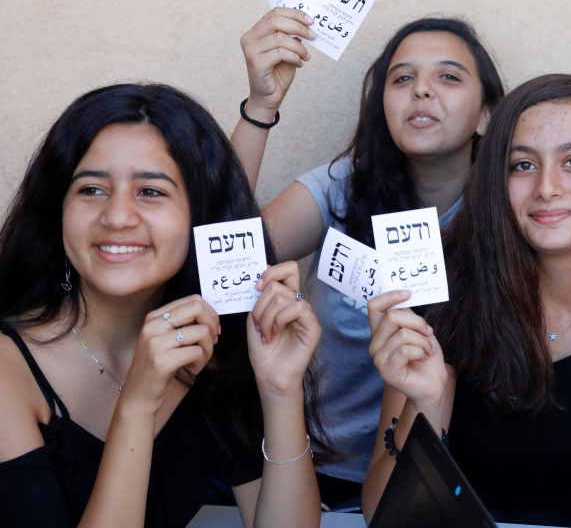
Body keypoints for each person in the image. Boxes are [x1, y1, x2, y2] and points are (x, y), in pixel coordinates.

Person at [362, 74, 571, 528]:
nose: (547, 187)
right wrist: (423, 403)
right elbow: (382, 510)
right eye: (522, 166)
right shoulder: (443, 275)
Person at [0, 83, 331, 528]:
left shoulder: (211, 345)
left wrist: (280, 390)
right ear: (56, 210)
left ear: (200, 219)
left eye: (151, 192)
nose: (117, 217)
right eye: (92, 189)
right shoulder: (6, 369)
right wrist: (137, 406)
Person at [233, 12, 504, 507]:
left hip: (428, 477)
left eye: (448, 76)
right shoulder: (341, 186)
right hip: (304, 466)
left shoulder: (510, 215)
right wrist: (259, 106)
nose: (421, 90)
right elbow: (226, 249)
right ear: (382, 106)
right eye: (402, 79)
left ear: (487, 114)